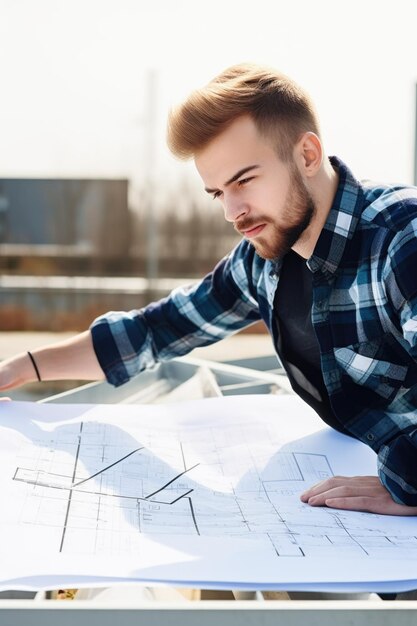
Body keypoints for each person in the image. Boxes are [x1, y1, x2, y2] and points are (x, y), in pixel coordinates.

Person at [1, 62, 417, 517]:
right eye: (217, 192)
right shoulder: (261, 260)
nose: (232, 212)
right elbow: (155, 331)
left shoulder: (402, 239)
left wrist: (409, 484)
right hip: (344, 482)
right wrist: (22, 367)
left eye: (244, 180)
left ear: (308, 155)